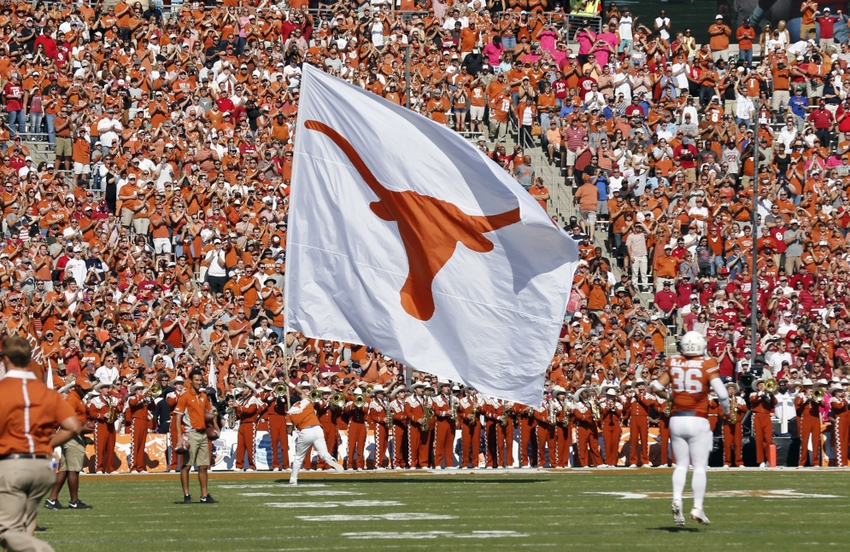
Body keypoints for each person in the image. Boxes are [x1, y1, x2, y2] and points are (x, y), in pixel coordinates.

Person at [0, 336, 82, 552]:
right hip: (42, 466)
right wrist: (47, 444)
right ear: (29, 359)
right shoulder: (45, 391)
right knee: (27, 519)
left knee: (7, 527)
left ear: (5, 359)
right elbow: (73, 426)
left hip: (11, 463)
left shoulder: (2, 389)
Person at [650, 331, 730, 527]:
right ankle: (697, 507)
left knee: (681, 465)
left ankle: (677, 498)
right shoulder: (708, 363)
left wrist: (671, 397)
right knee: (700, 466)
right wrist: (727, 411)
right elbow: (722, 394)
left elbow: (656, 387)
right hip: (698, 418)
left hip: (677, 419)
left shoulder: (674, 362)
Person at [45, 378, 94, 510]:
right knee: (74, 470)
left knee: (64, 470)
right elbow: (64, 418)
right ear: (76, 387)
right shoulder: (72, 399)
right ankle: (74, 501)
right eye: (83, 389)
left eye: (87, 389)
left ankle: (52, 499)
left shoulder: (76, 398)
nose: (85, 391)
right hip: (72, 436)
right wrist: (82, 429)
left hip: (73, 435)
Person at [173, 370, 219, 504]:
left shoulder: (204, 396)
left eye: (200, 380)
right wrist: (180, 437)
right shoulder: (185, 396)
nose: (199, 382)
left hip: (203, 434)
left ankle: (204, 495)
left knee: (203, 466)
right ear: (191, 381)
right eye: (197, 380)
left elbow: (210, 413)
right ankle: (186, 495)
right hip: (190, 433)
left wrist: (216, 427)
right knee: (186, 465)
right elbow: (178, 417)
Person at [287, 382, 344, 485]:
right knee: (324, 453)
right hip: (317, 428)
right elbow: (302, 392)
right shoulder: (307, 402)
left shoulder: (290, 413)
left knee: (299, 458)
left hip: (305, 431)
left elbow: (289, 430)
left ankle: (293, 479)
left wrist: (291, 425)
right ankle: (331, 460)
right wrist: (290, 383)